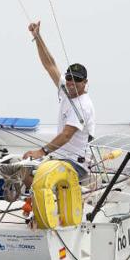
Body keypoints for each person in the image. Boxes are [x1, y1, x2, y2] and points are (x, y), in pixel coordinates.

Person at [23, 21, 95, 179]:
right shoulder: (66, 90)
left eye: (77, 80)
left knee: (40, 175)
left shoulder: (83, 105)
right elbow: (50, 64)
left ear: (85, 82)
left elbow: (66, 135)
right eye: (69, 78)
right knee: (25, 169)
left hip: (77, 164)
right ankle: (33, 203)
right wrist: (37, 37)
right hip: (59, 158)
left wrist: (41, 152)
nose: (71, 82)